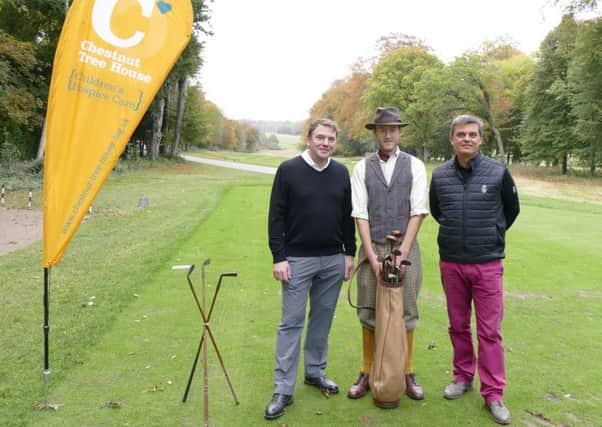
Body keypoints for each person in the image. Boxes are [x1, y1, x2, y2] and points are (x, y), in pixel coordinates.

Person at [429, 114, 520, 425]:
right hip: (452, 262)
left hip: (487, 264)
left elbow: (511, 210)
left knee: (490, 332)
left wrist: (491, 233)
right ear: (452, 139)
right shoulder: (440, 175)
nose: (466, 139)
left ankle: (493, 394)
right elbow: (437, 210)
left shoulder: (497, 172)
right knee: (457, 325)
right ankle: (463, 376)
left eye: (472, 134)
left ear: (480, 139)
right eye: (460, 134)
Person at [265, 118, 356, 420]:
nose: (325, 143)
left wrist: (349, 253)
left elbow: (347, 217)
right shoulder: (288, 170)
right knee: (291, 323)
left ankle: (315, 372)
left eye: (331, 139)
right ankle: (283, 389)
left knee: (322, 319)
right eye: (320, 137)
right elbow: (276, 217)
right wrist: (279, 257)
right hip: (296, 260)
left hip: (332, 259)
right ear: (308, 138)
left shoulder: (341, 172)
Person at [348, 106, 428, 403]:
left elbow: (419, 211)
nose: (388, 134)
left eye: (393, 129)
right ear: (375, 133)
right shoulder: (361, 168)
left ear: (400, 132)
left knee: (406, 310)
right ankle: (368, 371)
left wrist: (402, 252)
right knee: (368, 310)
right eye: (383, 129)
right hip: (373, 246)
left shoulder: (415, 166)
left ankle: (405, 372)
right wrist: (371, 256)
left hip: (405, 248)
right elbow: (360, 215)